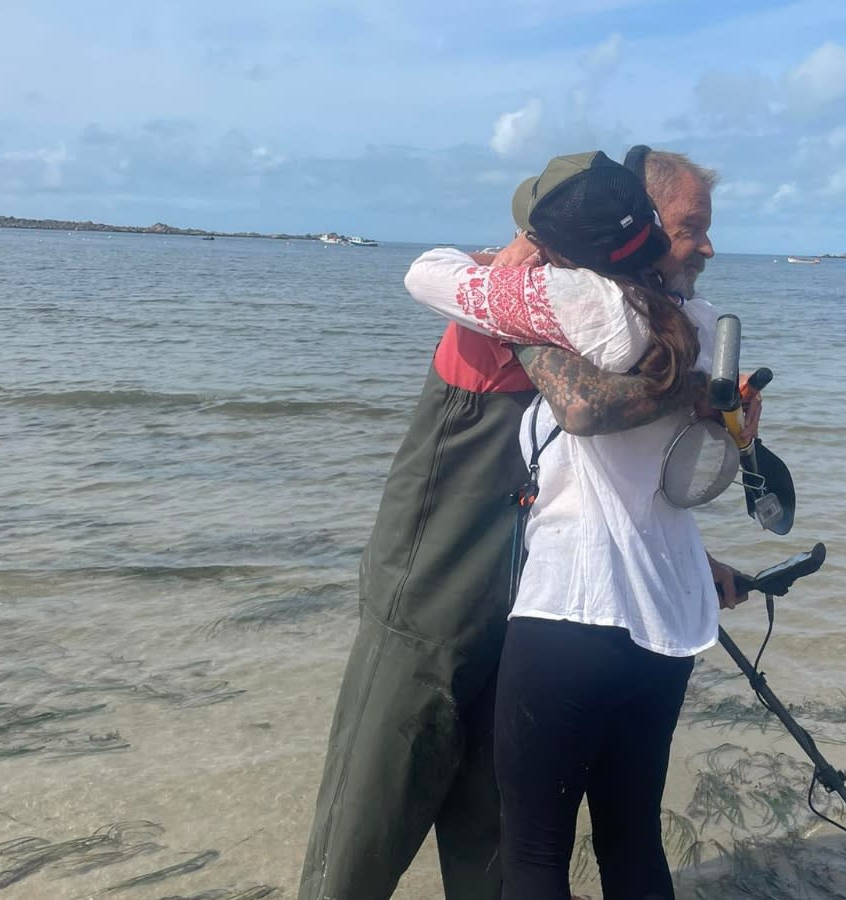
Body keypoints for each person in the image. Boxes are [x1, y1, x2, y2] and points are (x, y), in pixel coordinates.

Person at [297, 149, 754, 900]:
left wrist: (693, 562)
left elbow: (608, 484)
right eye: (687, 228)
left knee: (497, 820)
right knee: (376, 798)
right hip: (437, 586)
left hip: (535, 599)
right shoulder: (515, 297)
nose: (703, 246)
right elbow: (437, 279)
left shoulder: (625, 311)